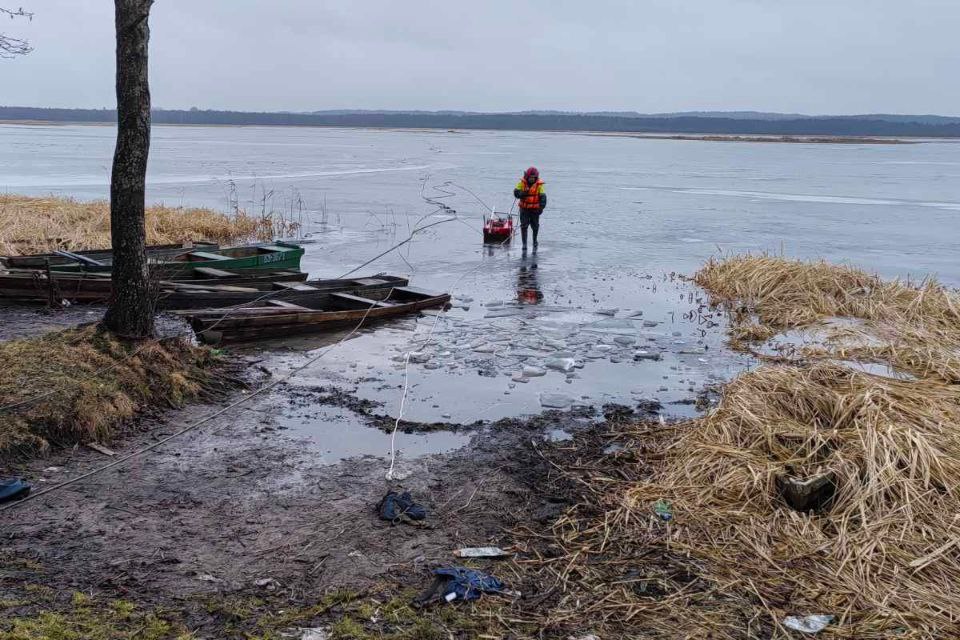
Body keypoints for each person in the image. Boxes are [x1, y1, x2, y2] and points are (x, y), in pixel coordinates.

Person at [513, 166, 546, 250]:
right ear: (527, 177)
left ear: (536, 177)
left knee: (535, 226)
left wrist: (541, 208)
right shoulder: (521, 183)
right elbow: (516, 193)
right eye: (530, 177)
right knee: (524, 226)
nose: (531, 179)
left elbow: (543, 197)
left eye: (533, 177)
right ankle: (524, 244)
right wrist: (523, 193)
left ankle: (535, 241)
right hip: (524, 209)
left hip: (535, 209)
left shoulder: (539, 185)